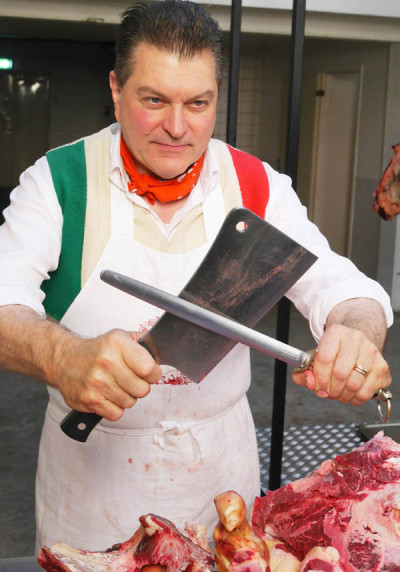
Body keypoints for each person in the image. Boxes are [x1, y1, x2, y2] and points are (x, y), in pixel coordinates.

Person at [0, 0, 393, 553]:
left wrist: (356, 331)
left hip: (220, 480)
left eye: (198, 103)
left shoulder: (256, 186)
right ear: (116, 89)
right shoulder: (60, 182)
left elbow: (342, 287)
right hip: (92, 487)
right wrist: (62, 357)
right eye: (154, 100)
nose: (177, 127)